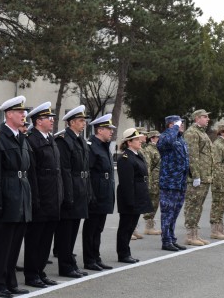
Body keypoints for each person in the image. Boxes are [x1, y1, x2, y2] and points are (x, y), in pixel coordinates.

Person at [0, 96, 33, 298]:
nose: (24, 115)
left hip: (22, 194)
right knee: (4, 244)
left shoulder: (21, 138)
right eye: (19, 112)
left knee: (16, 243)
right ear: (8, 114)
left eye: (24, 112)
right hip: (7, 194)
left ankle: (11, 280)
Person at [24, 102, 62, 288]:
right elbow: (33, 174)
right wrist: (36, 199)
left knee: (46, 239)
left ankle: (40, 271)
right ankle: (31, 274)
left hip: (53, 197)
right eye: (49, 118)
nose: (52, 120)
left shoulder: (50, 139)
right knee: (35, 239)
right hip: (40, 198)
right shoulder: (32, 140)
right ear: (39, 121)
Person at [54, 106, 91, 278]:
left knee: (74, 230)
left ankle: (70, 262)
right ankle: (65, 265)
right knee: (65, 233)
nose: (84, 124)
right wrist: (68, 195)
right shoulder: (64, 140)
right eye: (81, 121)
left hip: (80, 190)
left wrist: (88, 191)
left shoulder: (81, 140)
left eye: (84, 121)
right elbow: (65, 171)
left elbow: (85, 169)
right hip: (71, 192)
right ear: (71, 122)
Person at [83, 113, 116, 270]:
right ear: (100, 130)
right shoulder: (92, 146)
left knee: (99, 228)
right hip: (95, 194)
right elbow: (87, 173)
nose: (111, 132)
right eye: (109, 129)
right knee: (91, 228)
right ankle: (89, 259)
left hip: (104, 193)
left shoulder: (104, 146)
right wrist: (91, 194)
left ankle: (96, 257)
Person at [115, 128, 152, 263]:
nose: (140, 141)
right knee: (126, 226)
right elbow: (126, 182)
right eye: (137, 139)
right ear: (129, 142)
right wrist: (130, 201)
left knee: (131, 226)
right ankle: (123, 253)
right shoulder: (125, 158)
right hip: (130, 197)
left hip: (138, 195)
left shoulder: (137, 155)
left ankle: (126, 252)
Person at [156, 115, 189, 251]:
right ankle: (166, 240)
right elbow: (168, 141)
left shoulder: (180, 139)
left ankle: (171, 238)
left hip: (180, 182)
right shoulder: (165, 137)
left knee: (175, 212)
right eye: (178, 123)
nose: (181, 125)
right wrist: (175, 127)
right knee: (167, 212)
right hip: (169, 182)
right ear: (170, 125)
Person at [182, 109, 212, 246]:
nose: (208, 119)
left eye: (207, 117)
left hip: (205, 175)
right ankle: (190, 235)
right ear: (197, 118)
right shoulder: (192, 133)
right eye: (205, 117)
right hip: (197, 176)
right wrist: (195, 175)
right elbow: (192, 155)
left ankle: (195, 234)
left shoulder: (201, 132)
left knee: (198, 206)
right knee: (193, 205)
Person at [209, 123, 224, 239]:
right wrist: (218, 181)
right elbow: (216, 164)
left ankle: (220, 228)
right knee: (217, 205)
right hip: (220, 180)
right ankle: (215, 230)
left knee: (222, 205)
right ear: (222, 132)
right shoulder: (217, 145)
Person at [141, 130, 162, 236]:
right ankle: (148, 226)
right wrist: (148, 182)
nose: (159, 139)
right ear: (152, 138)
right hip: (153, 180)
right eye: (157, 137)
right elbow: (148, 167)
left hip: (158, 180)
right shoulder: (149, 150)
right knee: (151, 202)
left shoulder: (157, 149)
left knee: (155, 202)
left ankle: (150, 225)